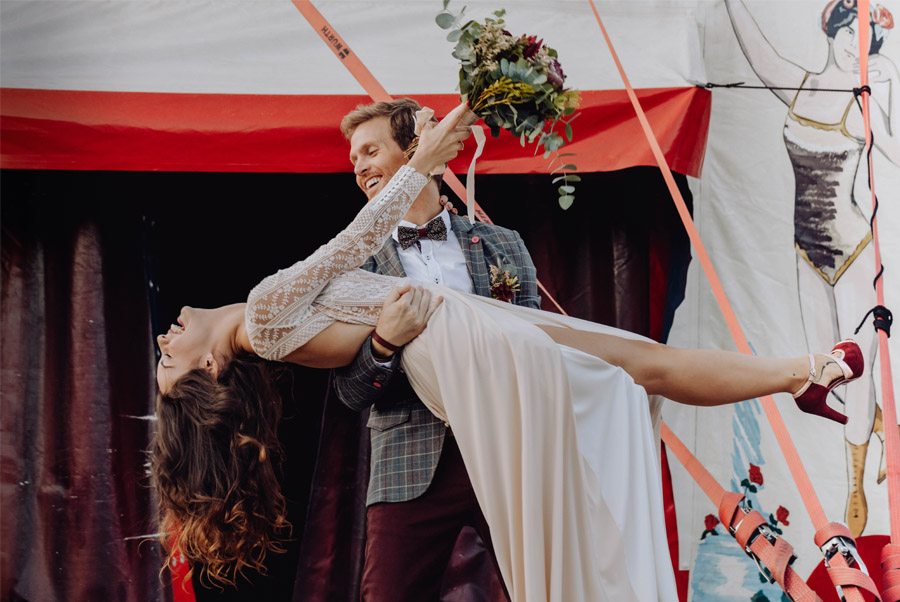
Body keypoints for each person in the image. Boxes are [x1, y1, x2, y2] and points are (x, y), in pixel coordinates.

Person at [152, 102, 864, 601]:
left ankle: (803, 371)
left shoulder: (493, 251)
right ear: (211, 369)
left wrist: (455, 122)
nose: (163, 337)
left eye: (372, 151)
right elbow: (356, 244)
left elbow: (357, 245)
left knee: (638, 362)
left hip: (472, 334)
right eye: (168, 359)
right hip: (448, 374)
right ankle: (798, 373)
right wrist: (422, 165)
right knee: (635, 368)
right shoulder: (266, 314)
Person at [331, 99, 536, 601]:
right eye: (353, 159)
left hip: (505, 452)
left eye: (371, 150)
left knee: (546, 589)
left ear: (418, 150)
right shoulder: (352, 264)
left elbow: (538, 350)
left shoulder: (503, 245)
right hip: (409, 463)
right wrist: (384, 342)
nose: (359, 167)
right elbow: (351, 392)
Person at [725, 0, 899, 536]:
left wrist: (885, 88)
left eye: (868, 42)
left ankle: (854, 490)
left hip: (852, 252)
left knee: (855, 365)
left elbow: (893, 148)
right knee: (825, 372)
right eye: (852, 36)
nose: (858, 49)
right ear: (834, 31)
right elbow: (758, 55)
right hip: (808, 253)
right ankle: (878, 426)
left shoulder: (865, 102)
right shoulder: (798, 86)